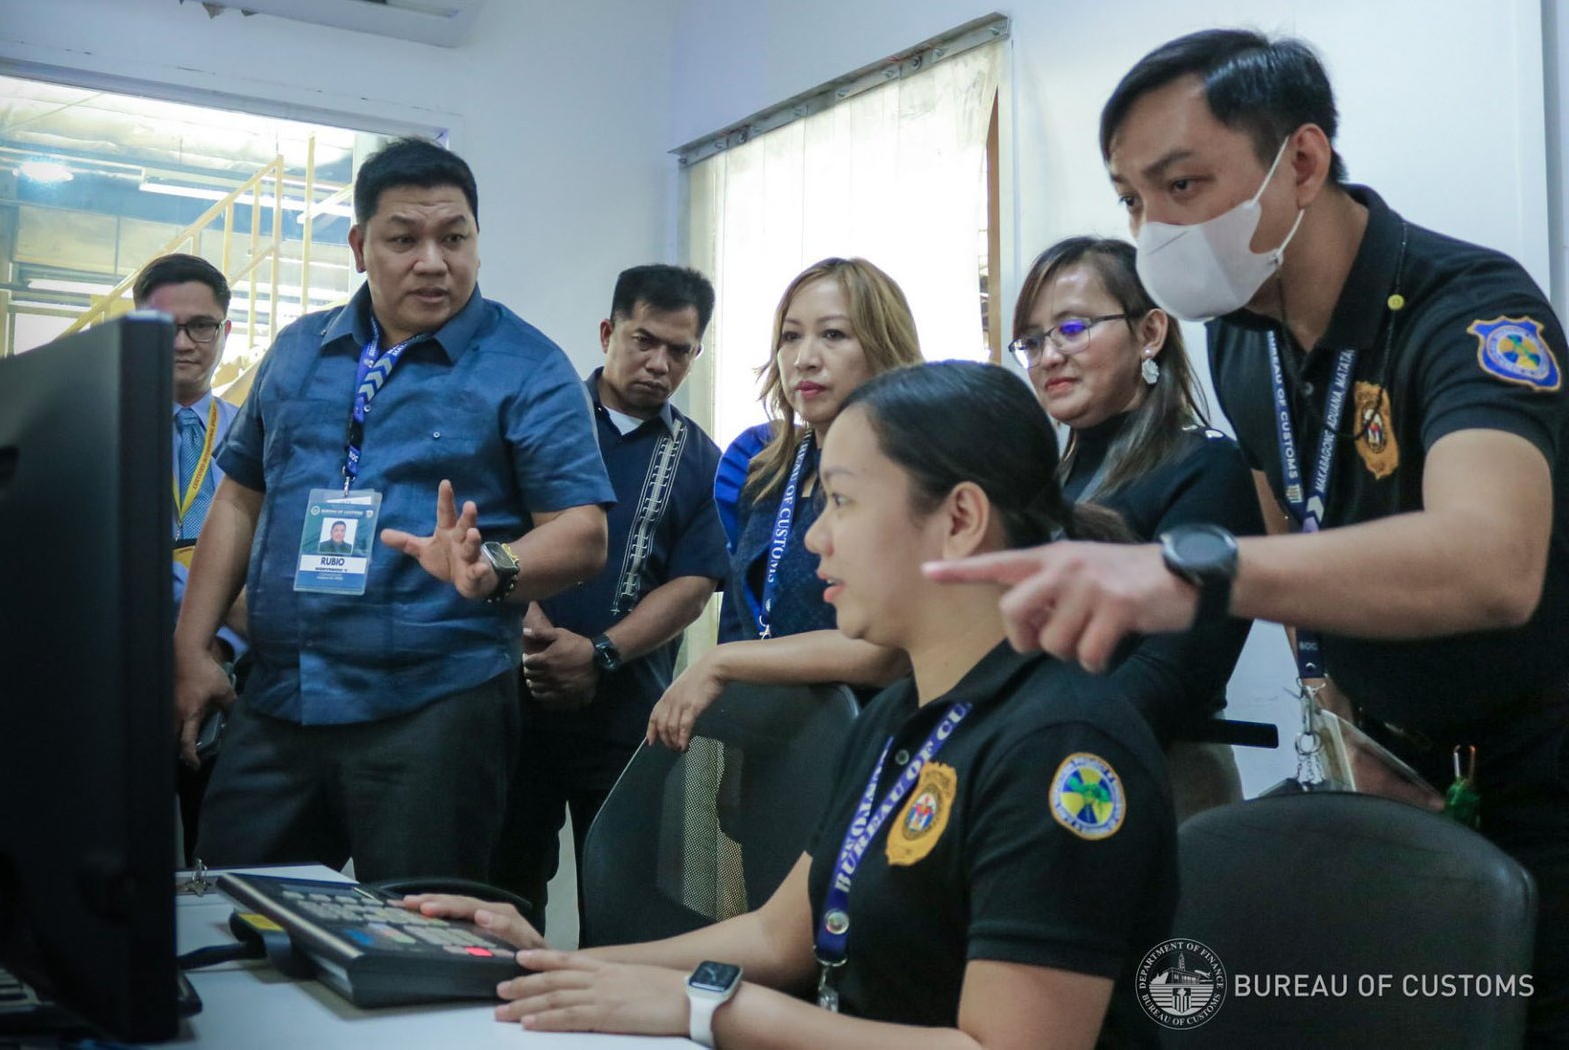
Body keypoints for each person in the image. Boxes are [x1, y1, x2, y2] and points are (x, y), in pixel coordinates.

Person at [930, 29, 1569, 1041]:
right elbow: (1292, 529)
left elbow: (1494, 561)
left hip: (1540, 768)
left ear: (1302, 161)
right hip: (1393, 770)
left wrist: (1192, 569)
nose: (1154, 228)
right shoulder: (1241, 335)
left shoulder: (1465, 310)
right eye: (1132, 199)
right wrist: (1340, 716)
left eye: (1182, 185)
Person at [404, 362, 1177, 1048]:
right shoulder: (900, 715)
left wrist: (709, 1008)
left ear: (960, 519)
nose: (815, 538)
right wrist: (556, 964)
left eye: (841, 501)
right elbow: (781, 936)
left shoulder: (1062, 746)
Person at [173, 137, 613, 883]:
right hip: (280, 699)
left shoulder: (528, 366)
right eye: (404, 239)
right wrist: (190, 648)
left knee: (416, 928)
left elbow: (583, 532)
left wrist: (493, 566)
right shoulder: (299, 350)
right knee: (237, 913)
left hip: (433, 709)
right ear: (360, 247)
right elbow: (239, 499)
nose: (433, 262)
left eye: (454, 238)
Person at [494, 264, 729, 930]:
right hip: (510, 704)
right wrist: (531, 628)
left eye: (679, 350)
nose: (659, 364)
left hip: (629, 720)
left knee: (621, 905)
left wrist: (598, 652)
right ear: (608, 333)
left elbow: (692, 587)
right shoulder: (535, 423)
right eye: (643, 340)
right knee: (501, 892)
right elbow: (491, 536)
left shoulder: (703, 461)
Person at [1011, 235, 1263, 816]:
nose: (1049, 356)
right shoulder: (1043, 483)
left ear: (1149, 333)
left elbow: (1174, 671)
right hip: (1037, 774)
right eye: (1032, 341)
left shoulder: (1207, 465)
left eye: (1072, 328)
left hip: (1156, 785)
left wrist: (1034, 753)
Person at [647, 257, 922, 750]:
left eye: (833, 335)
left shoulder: (913, 469)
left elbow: (887, 653)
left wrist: (721, 664)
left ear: (884, 346)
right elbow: (744, 621)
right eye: (791, 337)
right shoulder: (763, 469)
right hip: (772, 744)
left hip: (877, 746)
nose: (804, 359)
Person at [132, 251, 248, 860]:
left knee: (218, 861)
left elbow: (270, 561)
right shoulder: (98, 430)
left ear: (225, 331)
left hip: (228, 677)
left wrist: (216, 652)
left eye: (200, 326)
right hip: (124, 677)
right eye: (163, 327)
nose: (182, 343)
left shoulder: (255, 439)